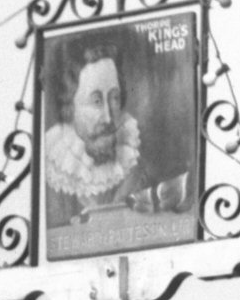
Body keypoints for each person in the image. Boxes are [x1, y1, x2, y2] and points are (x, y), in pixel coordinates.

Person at [42, 45, 189, 241]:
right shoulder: (53, 180)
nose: (108, 117)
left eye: (115, 98)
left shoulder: (143, 167)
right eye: (95, 101)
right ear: (70, 108)